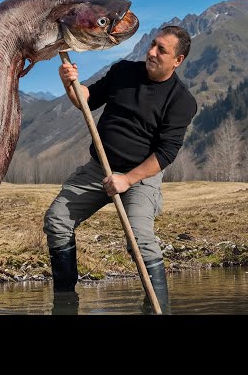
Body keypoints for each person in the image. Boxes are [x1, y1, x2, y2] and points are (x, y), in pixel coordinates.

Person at [43, 25, 197, 314]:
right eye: (153, 44)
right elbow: (86, 101)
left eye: (162, 50)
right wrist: (70, 84)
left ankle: (156, 308)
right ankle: (65, 303)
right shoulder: (123, 71)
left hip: (140, 176)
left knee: (140, 239)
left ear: (178, 60)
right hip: (98, 168)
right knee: (57, 220)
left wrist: (127, 179)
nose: (151, 52)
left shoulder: (182, 101)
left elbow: (166, 153)